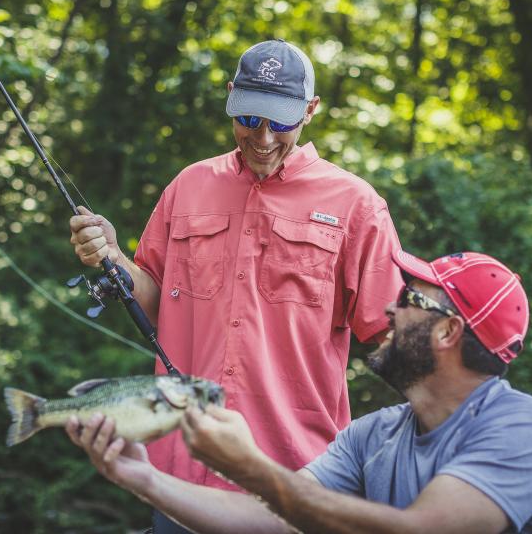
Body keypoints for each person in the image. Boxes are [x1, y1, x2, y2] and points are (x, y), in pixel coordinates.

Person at [69, 40, 404, 531]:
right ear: (231, 98)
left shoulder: (356, 205)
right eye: (249, 118)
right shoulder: (188, 186)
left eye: (281, 122)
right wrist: (115, 258)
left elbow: (395, 338)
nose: (264, 137)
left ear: (310, 111)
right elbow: (158, 299)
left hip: (295, 478)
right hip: (179, 472)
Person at [66, 250, 532, 533]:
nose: (391, 306)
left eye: (412, 296)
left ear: (446, 331)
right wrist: (142, 478)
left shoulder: (526, 432)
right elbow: (274, 519)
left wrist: (248, 465)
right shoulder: (375, 436)